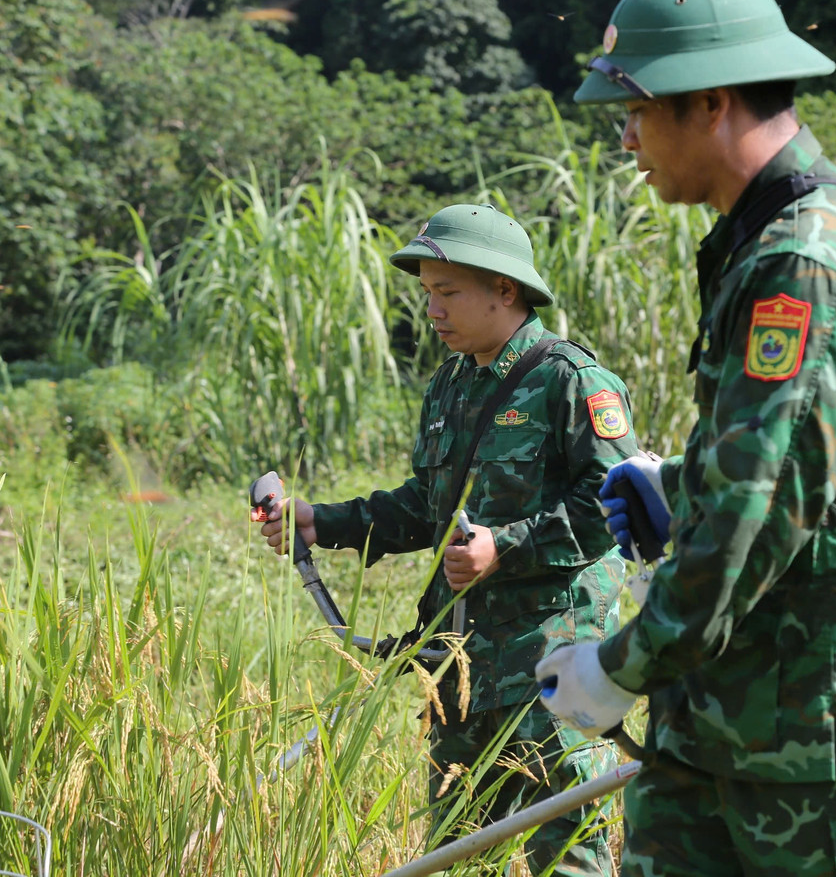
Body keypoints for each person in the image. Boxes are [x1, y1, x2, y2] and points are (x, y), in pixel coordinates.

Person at [536, 0, 836, 877]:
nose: (626, 137)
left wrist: (619, 665)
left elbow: (756, 514)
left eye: (638, 111)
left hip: (820, 759)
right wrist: (676, 483)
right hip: (727, 734)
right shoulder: (761, 241)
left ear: (712, 102)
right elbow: (786, 458)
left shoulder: (806, 260)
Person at [260, 202, 639, 877]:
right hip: (460, 666)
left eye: (447, 292)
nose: (432, 309)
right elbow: (426, 506)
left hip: (551, 662)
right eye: (427, 292)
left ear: (505, 289)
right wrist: (323, 521)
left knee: (569, 852)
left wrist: (506, 546)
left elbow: (615, 499)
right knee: (458, 849)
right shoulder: (450, 387)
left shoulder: (570, 381)